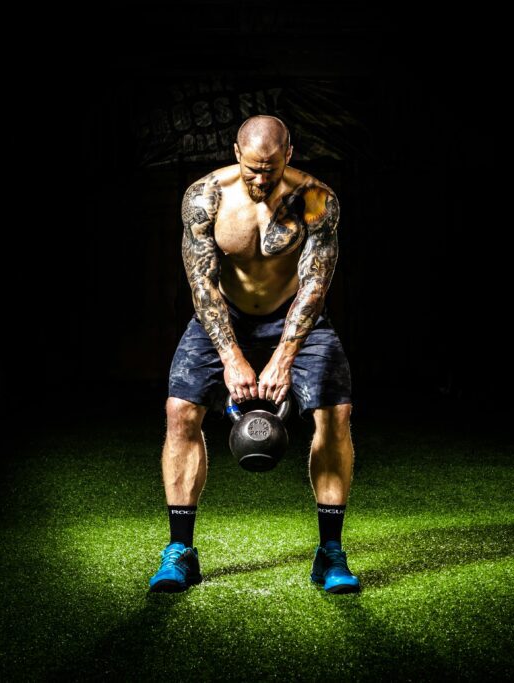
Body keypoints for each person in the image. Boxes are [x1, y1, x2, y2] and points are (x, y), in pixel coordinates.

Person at [148, 115, 360, 594]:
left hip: (295, 316)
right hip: (224, 315)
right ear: (236, 154)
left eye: (271, 169)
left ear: (289, 155)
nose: (261, 180)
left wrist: (283, 357)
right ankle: (180, 550)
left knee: (336, 414)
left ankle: (330, 553)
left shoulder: (314, 199)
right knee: (180, 411)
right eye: (252, 169)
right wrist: (231, 356)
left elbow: (314, 285)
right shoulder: (206, 196)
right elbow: (202, 284)